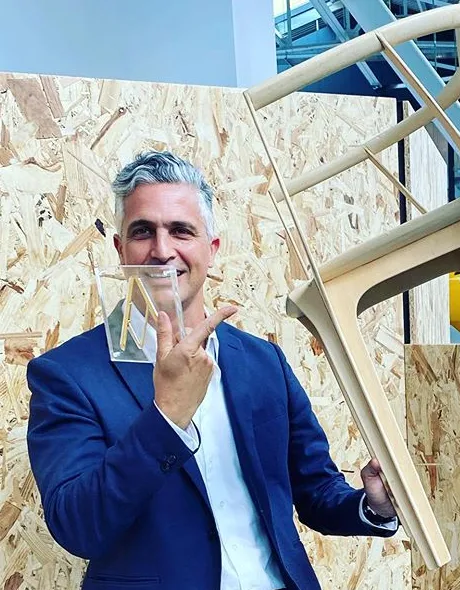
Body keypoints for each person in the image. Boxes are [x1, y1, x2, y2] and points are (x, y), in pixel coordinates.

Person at [26, 151, 399, 590]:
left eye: (181, 231)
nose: (162, 250)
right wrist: (166, 417)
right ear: (120, 249)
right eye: (142, 231)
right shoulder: (67, 375)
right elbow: (78, 526)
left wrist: (374, 505)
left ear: (212, 249)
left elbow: (315, 491)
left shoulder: (264, 362)